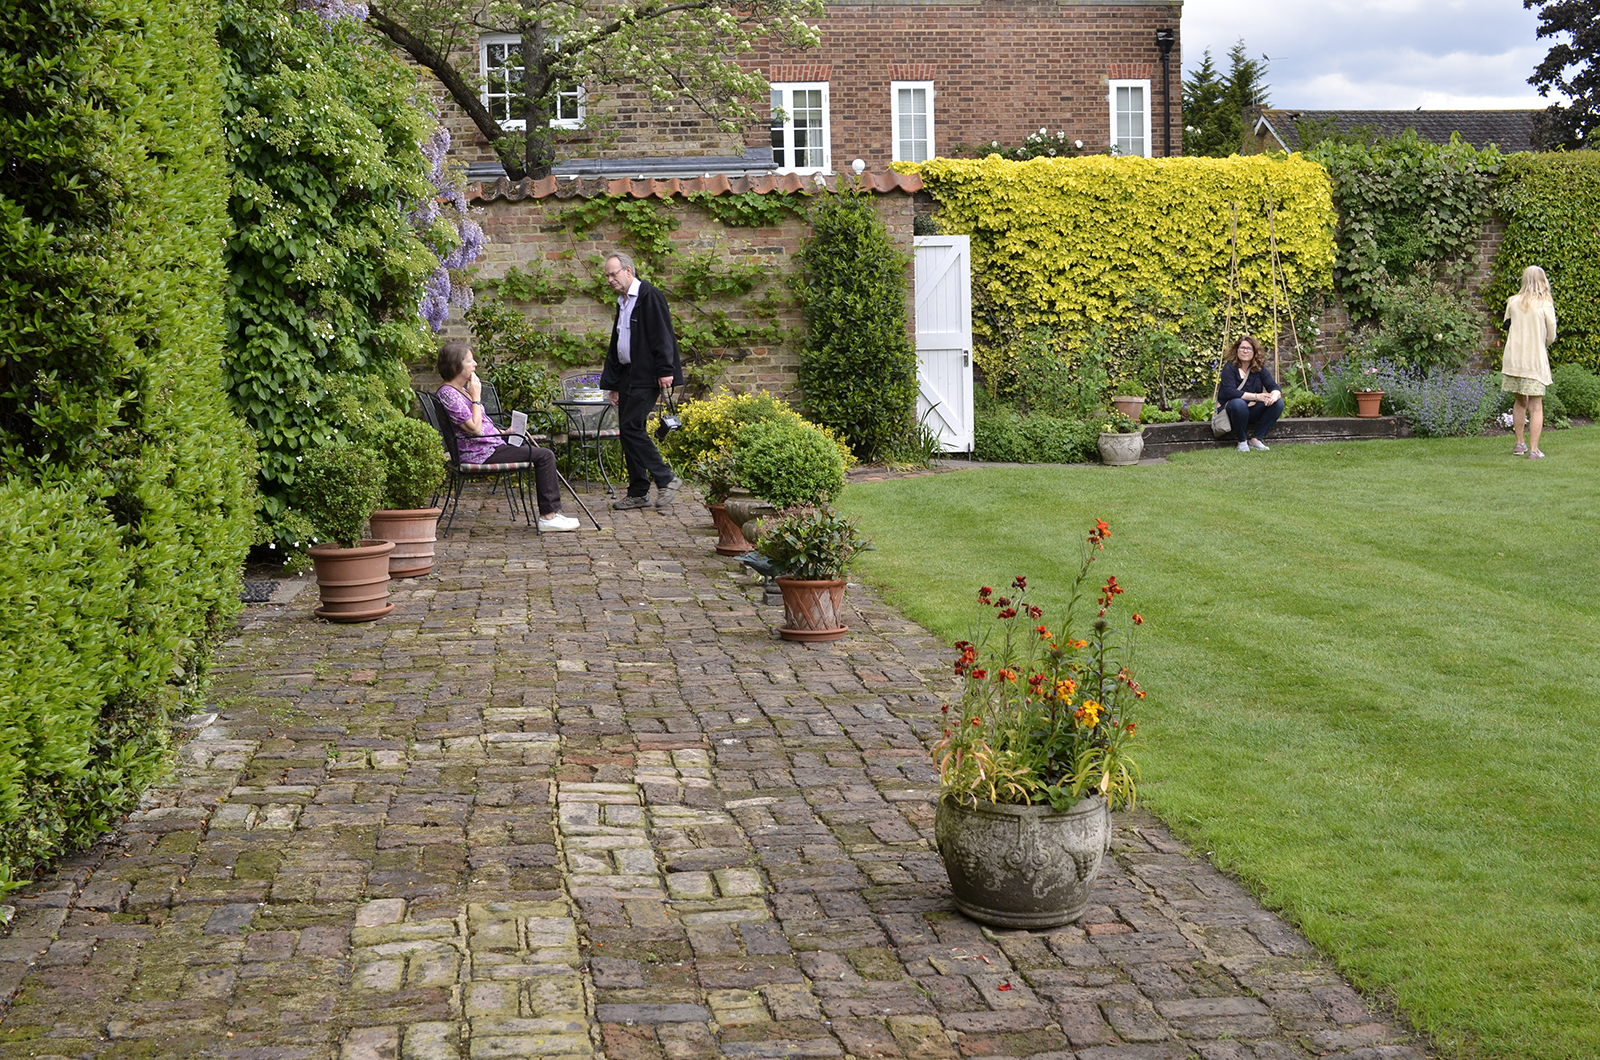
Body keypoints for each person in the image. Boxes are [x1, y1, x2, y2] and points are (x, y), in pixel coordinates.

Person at [435, 341, 579, 532]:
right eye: (470, 361)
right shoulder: (449, 394)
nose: (475, 364)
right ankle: (548, 516)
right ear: (456, 366)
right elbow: (475, 429)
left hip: (486, 446)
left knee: (540, 451)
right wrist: (476, 397)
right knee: (544, 456)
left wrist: (504, 432)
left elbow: (480, 427)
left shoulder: (459, 391)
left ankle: (552, 513)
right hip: (479, 453)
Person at [599, 252, 684, 509]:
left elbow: (663, 334)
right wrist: (613, 384)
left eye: (614, 273)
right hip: (627, 375)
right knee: (627, 432)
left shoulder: (649, 296)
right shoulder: (622, 302)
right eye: (607, 275)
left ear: (628, 271)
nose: (610, 279)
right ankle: (638, 492)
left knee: (633, 427)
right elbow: (617, 344)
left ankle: (666, 478)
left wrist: (665, 369)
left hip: (648, 374)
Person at [1501, 265, 1557, 459]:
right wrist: (1541, 343)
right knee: (1536, 406)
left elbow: (1507, 326)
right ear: (1543, 280)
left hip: (1513, 359)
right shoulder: (1545, 304)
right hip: (1534, 361)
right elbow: (1551, 335)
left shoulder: (1512, 302)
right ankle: (1533, 450)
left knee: (1519, 401)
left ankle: (1519, 444)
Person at [1217, 335, 1284, 452]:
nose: (1245, 351)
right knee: (1238, 403)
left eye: (1249, 348)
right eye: (1242, 348)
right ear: (1236, 350)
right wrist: (1257, 397)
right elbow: (1230, 392)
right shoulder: (1229, 368)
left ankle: (1256, 439)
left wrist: (1274, 396)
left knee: (1278, 403)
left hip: (1250, 410)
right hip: (1232, 411)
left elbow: (1274, 386)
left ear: (1254, 352)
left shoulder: (1259, 368)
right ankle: (1242, 441)